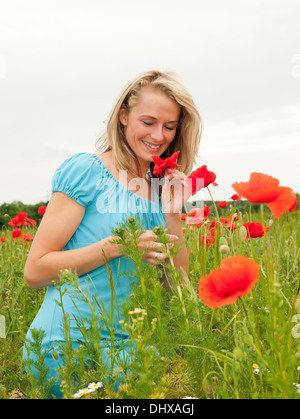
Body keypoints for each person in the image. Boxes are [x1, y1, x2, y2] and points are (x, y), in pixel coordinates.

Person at [23, 70, 201, 398]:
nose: (159, 135)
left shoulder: (162, 188)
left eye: (170, 126)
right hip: (66, 344)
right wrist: (120, 245)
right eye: (147, 122)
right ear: (123, 116)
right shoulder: (87, 171)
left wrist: (173, 212)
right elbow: (35, 271)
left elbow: (177, 289)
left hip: (131, 351)